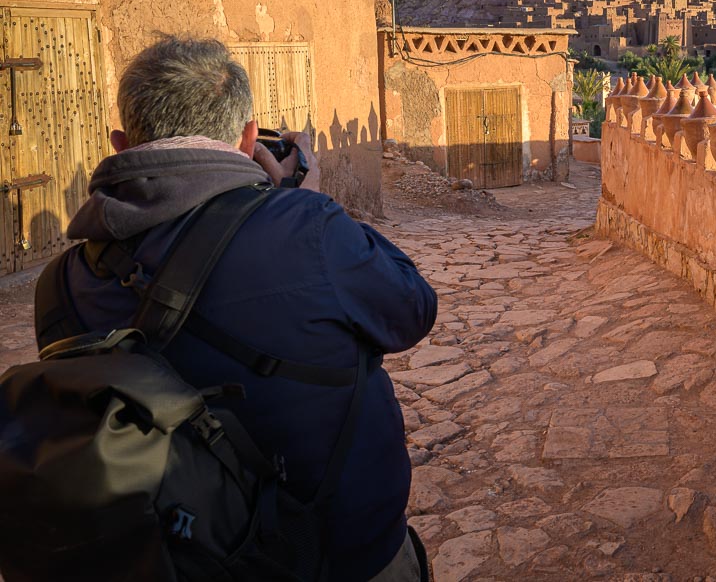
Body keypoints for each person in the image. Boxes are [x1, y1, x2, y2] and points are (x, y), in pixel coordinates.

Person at [35, 36, 437, 581]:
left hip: (178, 563)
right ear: (250, 138)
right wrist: (307, 203)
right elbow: (413, 307)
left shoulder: (58, 285)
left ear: (121, 143)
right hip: (338, 557)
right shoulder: (306, 230)